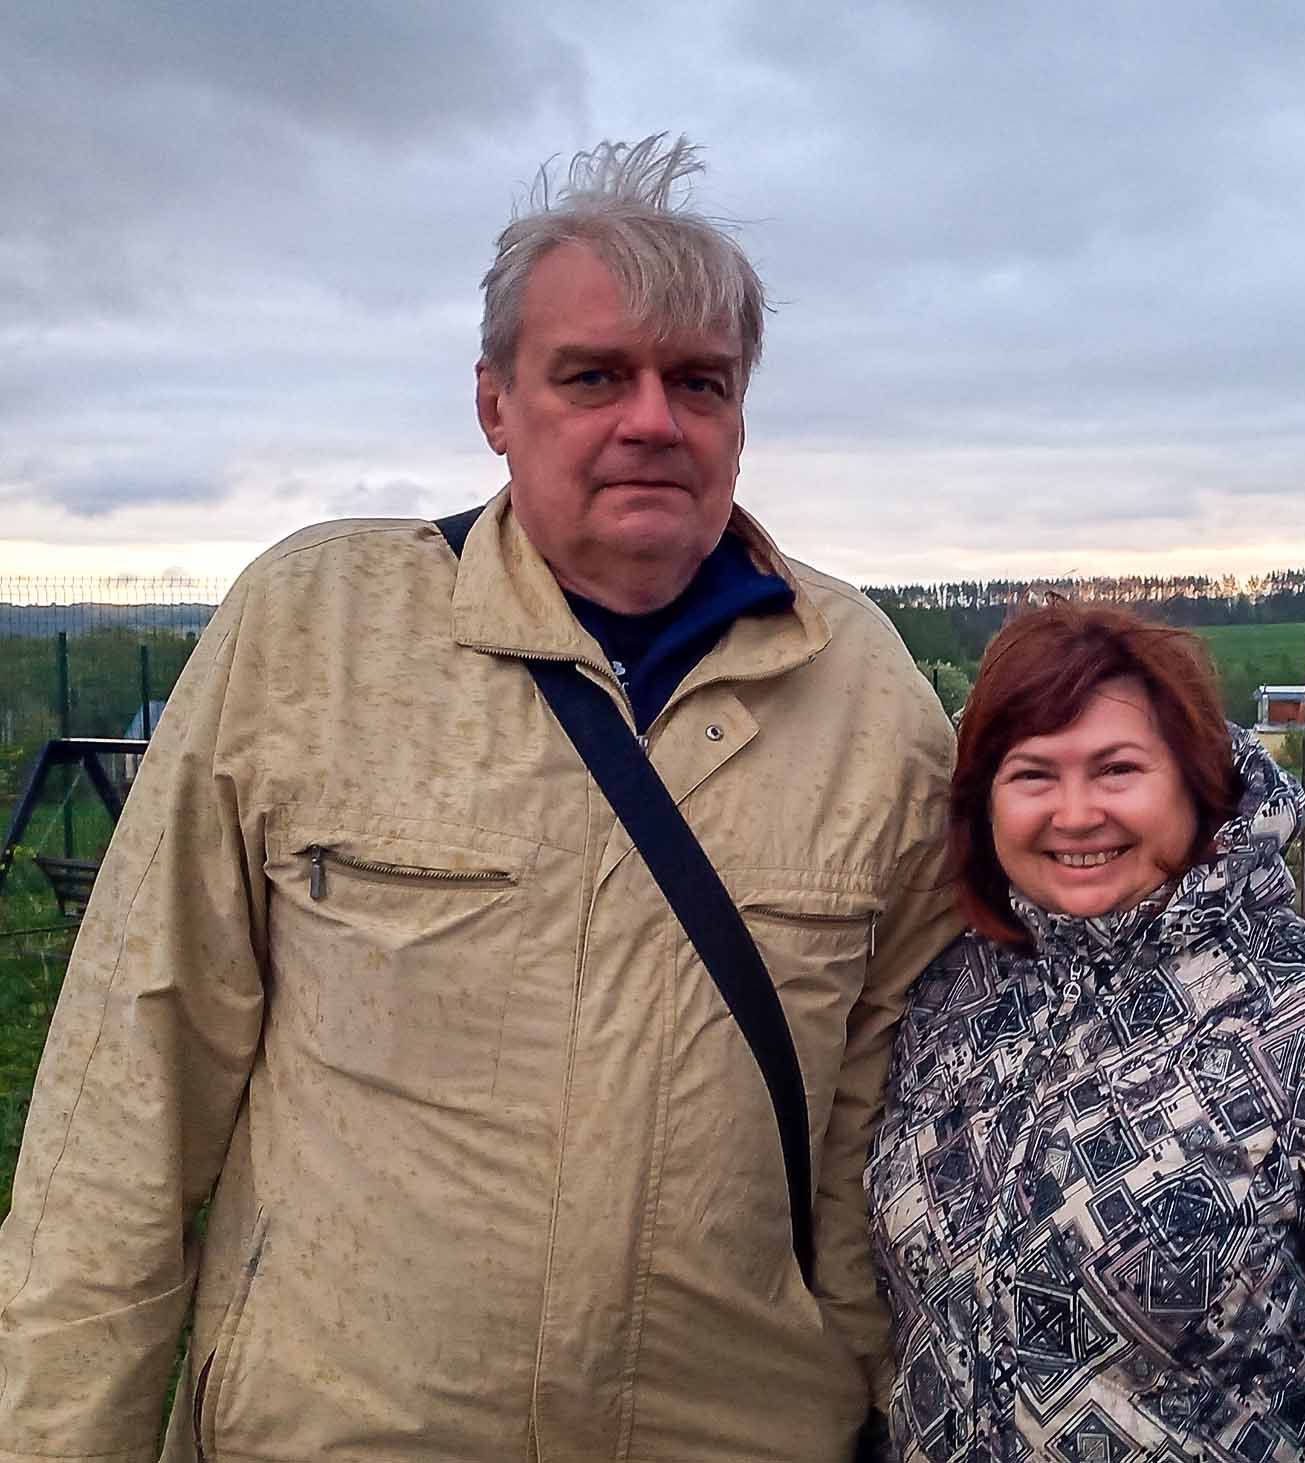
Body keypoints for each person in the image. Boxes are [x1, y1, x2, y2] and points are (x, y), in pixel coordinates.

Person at [0, 135, 958, 1461]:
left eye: (698, 381)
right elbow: (129, 1091)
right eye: (592, 375)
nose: (651, 419)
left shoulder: (868, 698)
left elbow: (886, 1129)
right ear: (494, 402)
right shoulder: (315, 633)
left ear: (740, 413)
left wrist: (871, 1397)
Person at [868, 603, 1305, 1461]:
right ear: (985, 802)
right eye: (1033, 774)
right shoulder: (948, 999)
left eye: (1117, 769)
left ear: (1196, 779)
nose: (1075, 812)